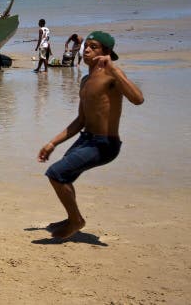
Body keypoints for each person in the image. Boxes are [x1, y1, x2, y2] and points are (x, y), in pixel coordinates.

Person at [37, 31, 143, 239]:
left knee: (56, 173)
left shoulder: (112, 75)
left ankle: (76, 220)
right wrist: (52, 143)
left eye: (93, 47)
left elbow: (138, 99)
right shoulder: (86, 80)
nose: (86, 49)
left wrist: (113, 68)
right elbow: (80, 121)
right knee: (64, 175)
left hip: (104, 144)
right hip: (86, 139)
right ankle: (72, 218)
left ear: (107, 52)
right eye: (86, 45)